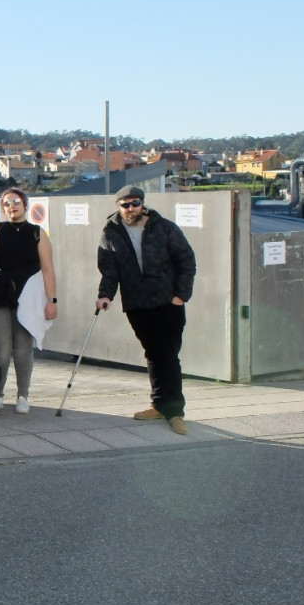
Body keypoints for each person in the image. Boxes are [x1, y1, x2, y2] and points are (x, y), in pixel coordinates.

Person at [96, 185, 196, 436]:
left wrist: (180, 296)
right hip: (137, 303)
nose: (131, 208)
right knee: (153, 353)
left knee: (168, 354)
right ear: (118, 207)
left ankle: (175, 412)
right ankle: (159, 405)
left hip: (167, 301)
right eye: (125, 204)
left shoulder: (164, 227)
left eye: (135, 203)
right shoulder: (111, 232)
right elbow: (109, 269)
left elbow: (186, 260)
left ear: (143, 204)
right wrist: (105, 295)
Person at [0, 187, 57, 414]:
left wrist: (52, 300)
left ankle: (23, 395)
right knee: (1, 348)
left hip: (28, 295)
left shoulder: (37, 233)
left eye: (16, 202)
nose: (12, 206)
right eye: (7, 203)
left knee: (23, 349)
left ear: (25, 205)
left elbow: (48, 269)